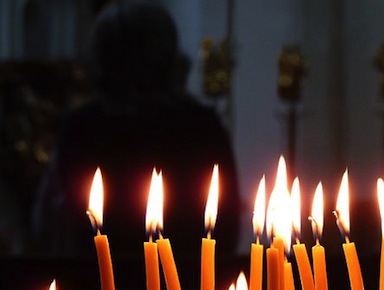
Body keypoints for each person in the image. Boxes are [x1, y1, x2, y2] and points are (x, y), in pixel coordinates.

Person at [32, 0, 241, 258]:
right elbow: (228, 223)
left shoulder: (85, 127)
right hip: (188, 281)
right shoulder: (201, 126)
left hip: (95, 280)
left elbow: (49, 223)